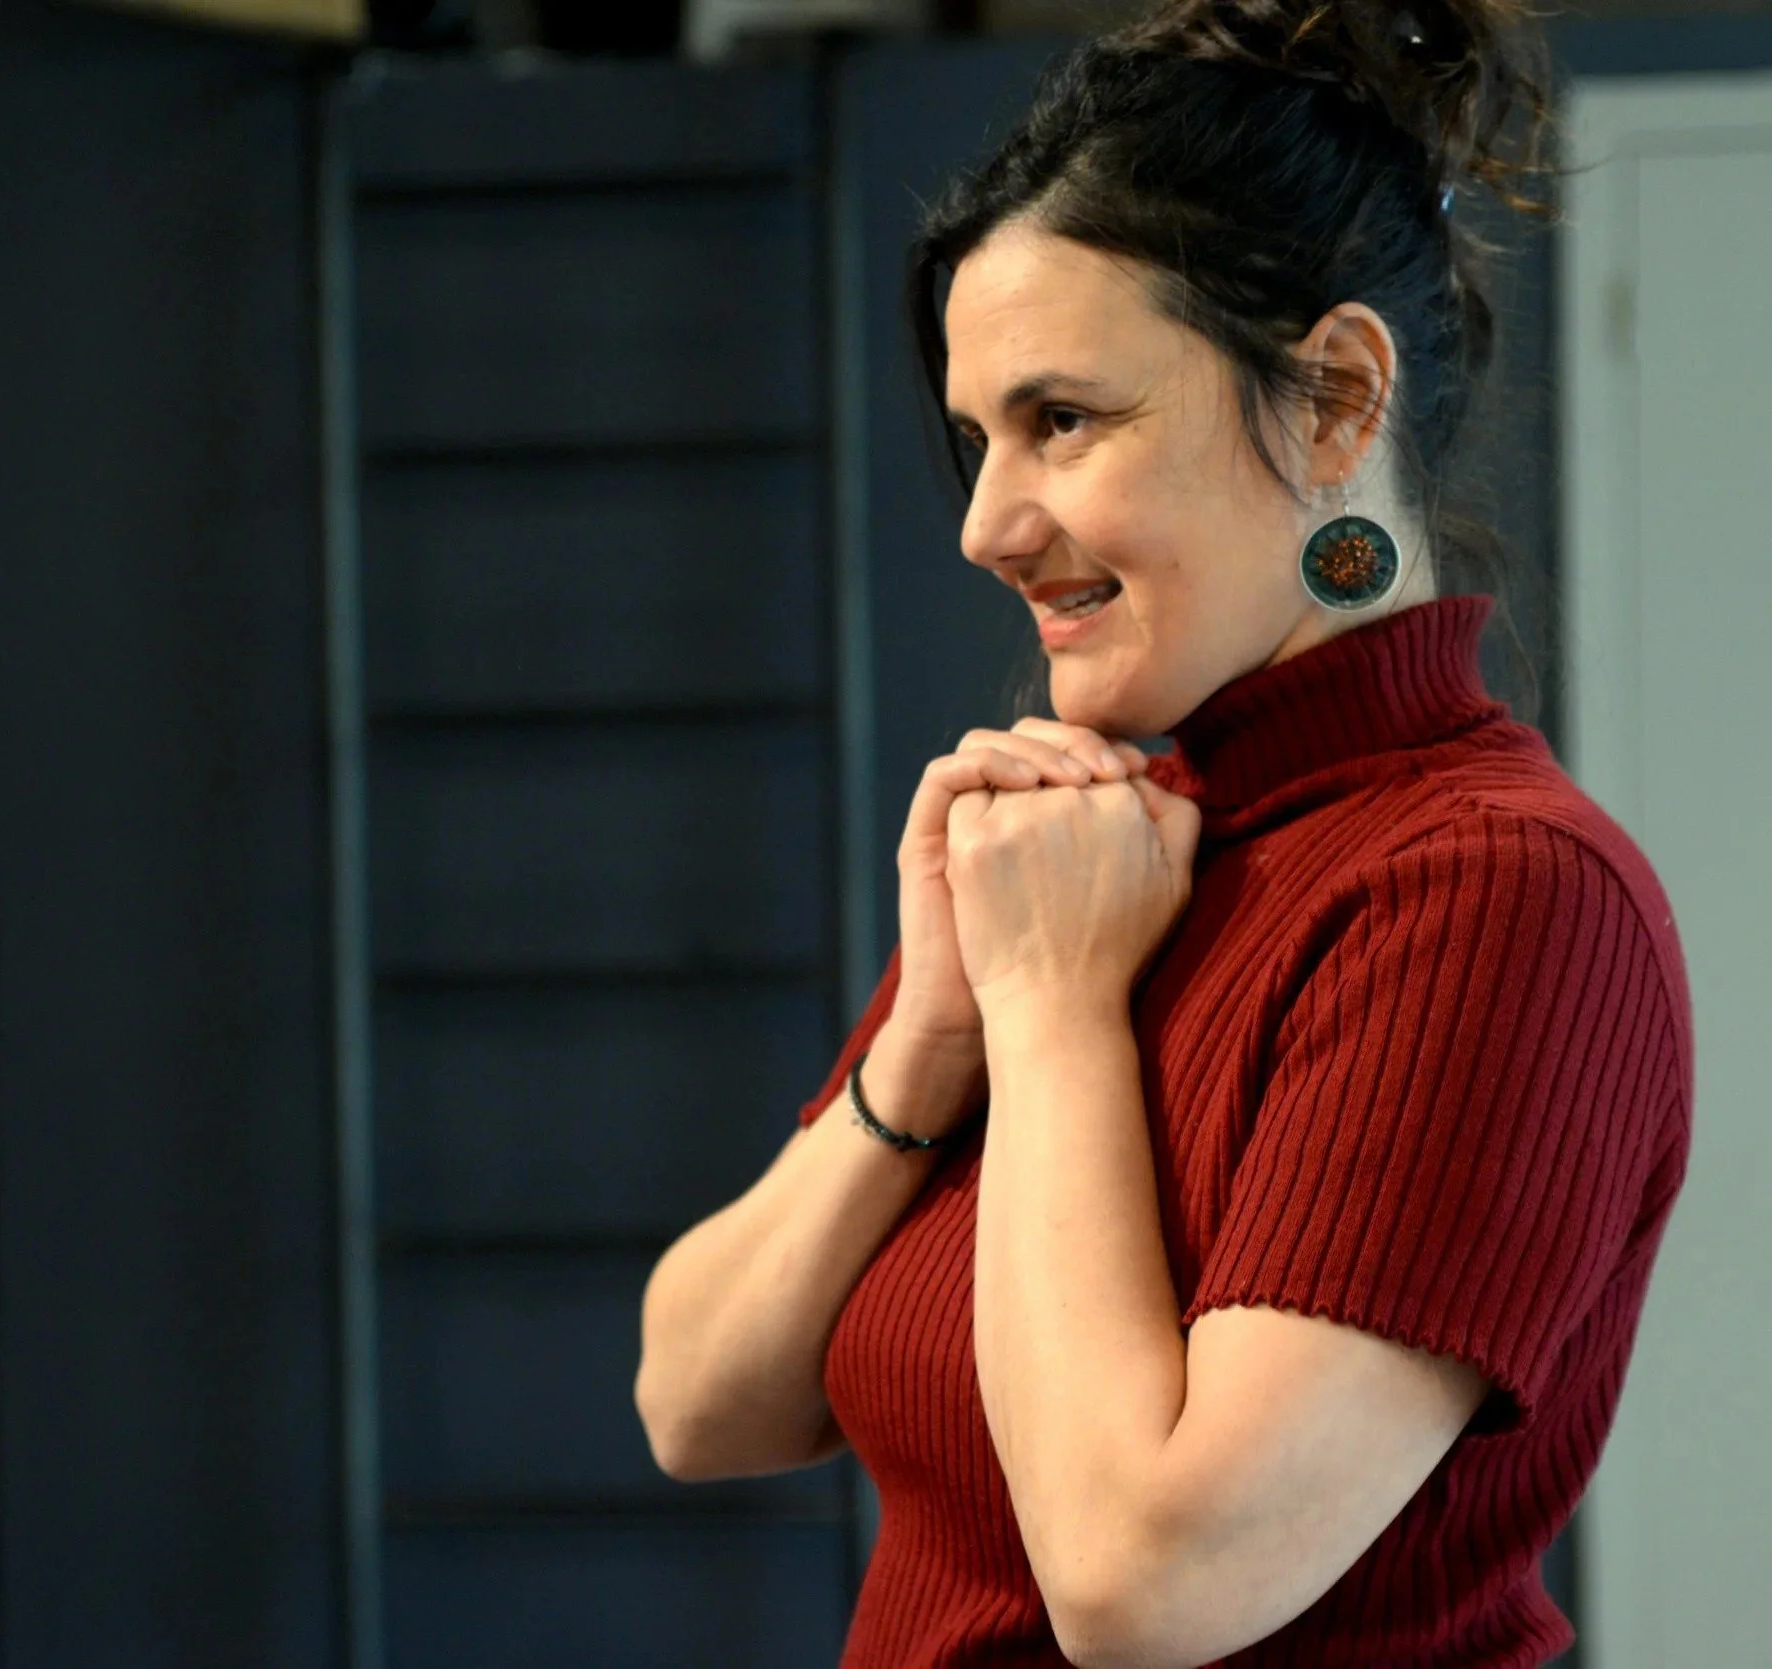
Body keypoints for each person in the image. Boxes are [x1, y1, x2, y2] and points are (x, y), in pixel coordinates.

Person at [632, 1, 1693, 1664]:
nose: (988, 523)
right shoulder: (1110, 842)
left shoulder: (1496, 895)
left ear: (1339, 398)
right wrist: (927, 1042)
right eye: (978, 438)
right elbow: (698, 1405)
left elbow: (1150, 1586)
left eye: (1065, 420)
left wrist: (1052, 1019)